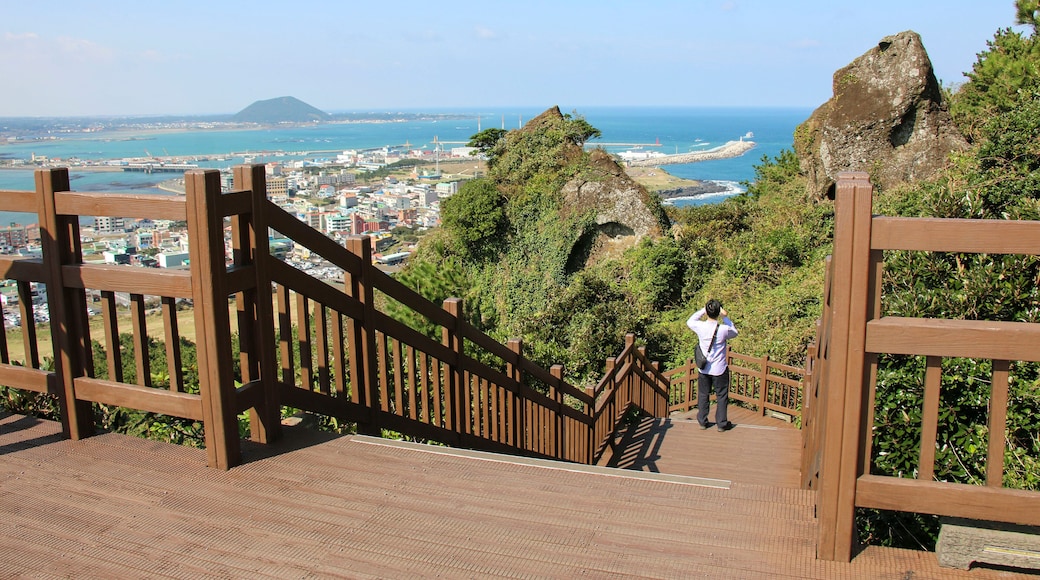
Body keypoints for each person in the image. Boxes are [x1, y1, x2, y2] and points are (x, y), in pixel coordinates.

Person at [686, 299, 738, 431]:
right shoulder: (723, 330)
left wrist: (704, 309)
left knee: (703, 394)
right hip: (719, 369)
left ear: (707, 312)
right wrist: (725, 317)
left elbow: (690, 321)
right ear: (718, 311)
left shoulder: (700, 326)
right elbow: (735, 332)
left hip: (703, 368)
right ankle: (721, 423)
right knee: (721, 396)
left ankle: (702, 421)